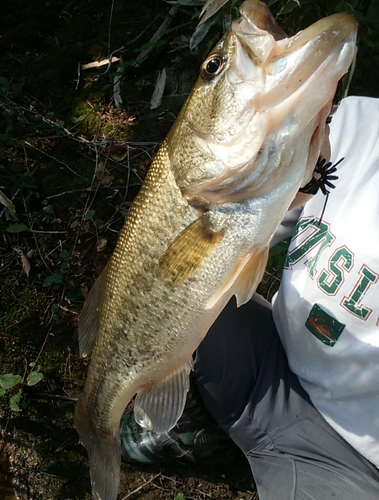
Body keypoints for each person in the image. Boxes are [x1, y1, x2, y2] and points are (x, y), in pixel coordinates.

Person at [120, 95, 379, 499]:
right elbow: (258, 225)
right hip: (268, 360)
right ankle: (195, 425)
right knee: (167, 292)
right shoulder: (357, 119)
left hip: (352, 456)